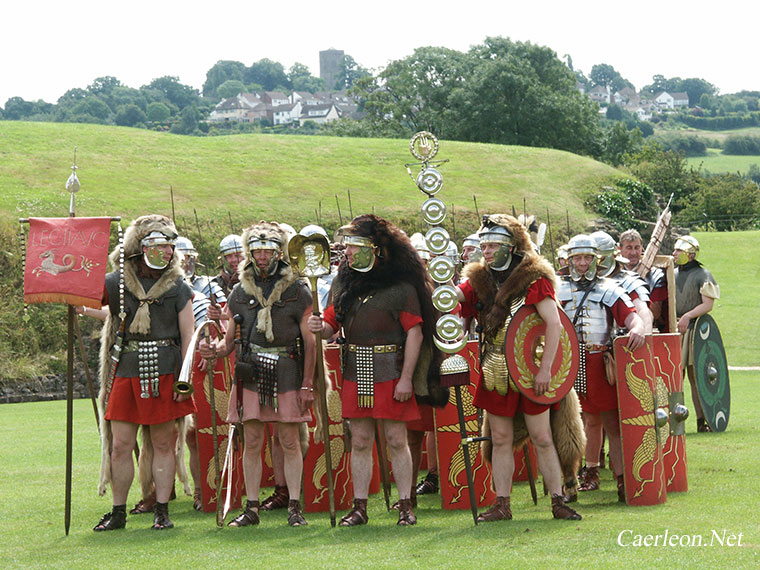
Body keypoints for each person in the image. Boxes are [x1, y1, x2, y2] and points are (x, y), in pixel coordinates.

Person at [308, 214, 440, 526]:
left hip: (391, 370)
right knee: (361, 440)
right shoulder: (344, 282)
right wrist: (319, 326)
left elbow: (415, 334)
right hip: (356, 369)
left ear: (374, 248)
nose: (347, 252)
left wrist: (406, 378)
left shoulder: (401, 286)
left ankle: (406, 504)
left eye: (353, 246)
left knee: (397, 438)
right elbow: (330, 325)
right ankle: (360, 506)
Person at [456, 214, 581, 522]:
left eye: (492, 244)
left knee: (541, 436)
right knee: (499, 438)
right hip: (496, 367)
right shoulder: (479, 280)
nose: (485, 250)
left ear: (510, 247)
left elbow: (554, 324)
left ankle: (557, 500)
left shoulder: (533, 279)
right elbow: (453, 298)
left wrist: (546, 370)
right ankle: (502, 504)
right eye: (483, 244)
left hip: (529, 368)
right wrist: (437, 286)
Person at [200, 221, 316, 526]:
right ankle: (251, 508)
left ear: (279, 251)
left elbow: (310, 341)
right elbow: (228, 342)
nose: (262, 256)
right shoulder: (238, 292)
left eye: (267, 250)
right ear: (249, 252)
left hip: (288, 371)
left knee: (289, 440)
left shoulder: (298, 289)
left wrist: (307, 383)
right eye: (257, 250)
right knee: (251, 441)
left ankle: (294, 506)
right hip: (251, 371)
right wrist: (214, 349)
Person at [94, 215, 195, 531]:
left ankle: (162, 511)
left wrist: (184, 378)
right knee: (121, 445)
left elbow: (188, 336)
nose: (165, 253)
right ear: (140, 249)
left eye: (168, 247)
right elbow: (83, 295)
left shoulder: (178, 287)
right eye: (158, 247)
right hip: (126, 371)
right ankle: (119, 511)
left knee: (164, 444)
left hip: (165, 372)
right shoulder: (116, 283)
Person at [557, 234, 646, 502]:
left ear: (597, 260)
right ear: (569, 260)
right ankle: (573, 481)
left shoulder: (609, 288)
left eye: (587, 258)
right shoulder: (556, 289)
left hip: (599, 364)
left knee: (611, 423)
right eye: (577, 258)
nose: (582, 264)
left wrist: (639, 329)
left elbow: (632, 318)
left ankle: (621, 480)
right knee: (568, 426)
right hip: (566, 365)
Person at [672, 235, 720, 432]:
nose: (674, 254)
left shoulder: (703, 274)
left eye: (678, 251)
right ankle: (674, 422)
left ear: (689, 255)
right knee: (673, 377)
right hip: (673, 330)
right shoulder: (671, 273)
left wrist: (687, 317)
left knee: (695, 377)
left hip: (693, 332)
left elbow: (708, 304)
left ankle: (703, 421)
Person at [619, 229, 668, 332]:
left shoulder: (655, 275)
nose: (633, 252)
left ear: (642, 248)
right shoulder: (614, 274)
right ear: (620, 249)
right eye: (629, 248)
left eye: (637, 248)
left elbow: (656, 312)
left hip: (647, 330)